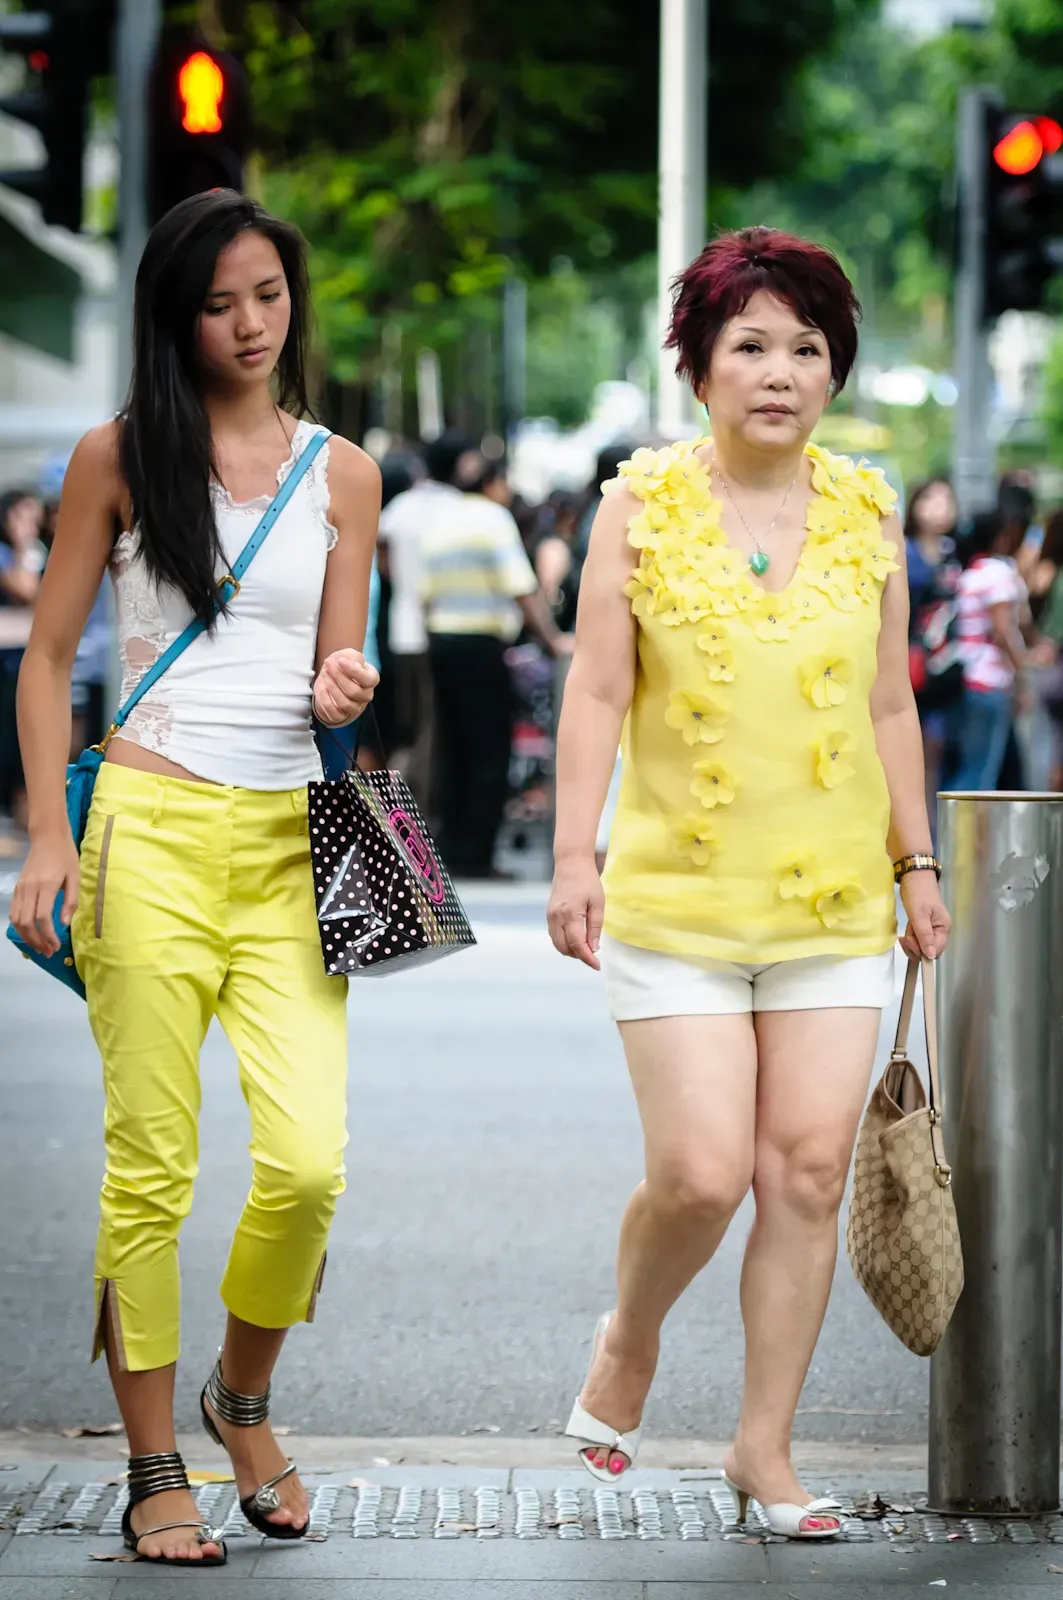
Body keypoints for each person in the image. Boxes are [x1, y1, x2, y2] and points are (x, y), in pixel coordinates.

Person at [548, 226, 950, 1540]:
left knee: (806, 1171)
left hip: (832, 906)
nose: (777, 370)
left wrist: (915, 860)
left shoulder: (867, 508)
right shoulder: (638, 504)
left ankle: (760, 1449)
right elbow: (598, 686)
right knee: (703, 1173)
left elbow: (891, 705)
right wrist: (570, 856)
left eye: (804, 347)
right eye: (748, 346)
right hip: (673, 905)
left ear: (832, 369)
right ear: (698, 366)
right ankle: (628, 1333)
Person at [8, 190, 380, 1568]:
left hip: (291, 844)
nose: (247, 324)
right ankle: (153, 1458)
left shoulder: (344, 474)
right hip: (147, 839)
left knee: (305, 1163)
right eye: (220, 302)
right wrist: (48, 835)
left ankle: (244, 1394)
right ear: (179, 313)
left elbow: (334, 686)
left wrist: (347, 683)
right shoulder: (117, 455)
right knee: (150, 1170)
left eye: (268, 297)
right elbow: (48, 663)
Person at [421, 454, 572, 879]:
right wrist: (551, 638)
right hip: (481, 644)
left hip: (442, 643)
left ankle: (450, 850)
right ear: (493, 483)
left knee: (452, 749)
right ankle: (478, 855)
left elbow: (424, 592)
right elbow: (521, 587)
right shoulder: (492, 519)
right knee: (489, 749)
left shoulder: (443, 519)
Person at [376, 431, 469, 808]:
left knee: (408, 725)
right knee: (433, 728)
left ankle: (398, 811)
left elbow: (381, 548)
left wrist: (398, 578)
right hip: (445, 629)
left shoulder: (401, 506)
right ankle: (412, 814)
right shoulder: (460, 508)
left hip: (401, 628)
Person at [952, 509, 1033, 792]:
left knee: (973, 763)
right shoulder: (997, 573)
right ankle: (965, 836)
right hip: (991, 681)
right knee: (981, 771)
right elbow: (1003, 630)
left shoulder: (969, 573)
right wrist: (1022, 676)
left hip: (968, 678)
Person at [903, 479, 962, 819]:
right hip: (909, 666)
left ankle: (929, 835)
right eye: (930, 498)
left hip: (942, 669)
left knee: (935, 749)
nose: (939, 507)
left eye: (946, 499)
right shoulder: (905, 550)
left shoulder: (950, 552)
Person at [0, 488, 46, 854]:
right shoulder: (11, 556)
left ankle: (21, 816)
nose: (29, 525)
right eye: (21, 516)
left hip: (21, 663)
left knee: (20, 742)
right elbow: (27, 590)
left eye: (34, 517)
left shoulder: (37, 554)